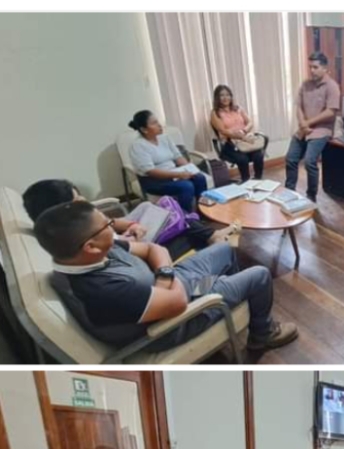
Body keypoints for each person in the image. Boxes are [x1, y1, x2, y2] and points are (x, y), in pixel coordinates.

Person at [33, 201, 298, 353]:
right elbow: (178, 303)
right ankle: (261, 333)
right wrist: (168, 285)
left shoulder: (92, 251)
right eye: (107, 224)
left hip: (171, 287)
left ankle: (225, 298)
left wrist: (164, 278)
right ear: (90, 246)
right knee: (259, 275)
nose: (114, 227)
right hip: (175, 321)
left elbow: (153, 249)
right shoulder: (103, 290)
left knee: (225, 249)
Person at [22, 178, 233, 262]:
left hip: (133, 240)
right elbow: (121, 249)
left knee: (160, 210)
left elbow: (112, 225)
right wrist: (130, 239)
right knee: (183, 225)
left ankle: (211, 236)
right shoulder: (86, 242)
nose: (85, 201)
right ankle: (213, 242)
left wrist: (132, 226)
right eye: (78, 200)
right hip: (143, 251)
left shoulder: (74, 228)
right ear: (62, 211)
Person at [285, 52, 341, 203]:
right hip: (304, 128)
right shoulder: (305, 84)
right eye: (310, 67)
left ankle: (311, 196)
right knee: (291, 158)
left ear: (325, 68)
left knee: (310, 161)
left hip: (321, 129)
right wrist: (302, 123)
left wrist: (307, 123)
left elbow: (331, 112)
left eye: (315, 67)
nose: (312, 70)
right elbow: (298, 106)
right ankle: (289, 192)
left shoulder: (332, 86)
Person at [128, 110, 208, 212]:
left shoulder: (165, 138)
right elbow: (150, 171)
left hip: (173, 174)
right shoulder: (138, 146)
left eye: (157, 121)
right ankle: (184, 217)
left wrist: (190, 169)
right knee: (186, 186)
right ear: (144, 129)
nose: (159, 125)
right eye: (154, 123)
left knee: (199, 177)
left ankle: (202, 211)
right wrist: (178, 175)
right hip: (154, 181)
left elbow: (178, 157)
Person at [210, 85, 265, 183]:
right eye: (222, 95)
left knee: (259, 155)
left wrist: (244, 131)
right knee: (242, 159)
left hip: (244, 141)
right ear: (217, 97)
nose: (225, 98)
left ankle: (258, 180)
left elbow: (250, 122)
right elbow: (223, 131)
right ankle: (246, 182)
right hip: (229, 144)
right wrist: (239, 136)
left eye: (228, 95)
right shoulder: (215, 113)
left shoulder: (238, 108)